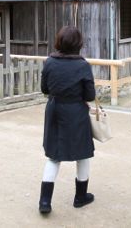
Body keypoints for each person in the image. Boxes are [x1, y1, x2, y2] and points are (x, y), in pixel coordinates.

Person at [38, 26, 96, 215]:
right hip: (76, 112)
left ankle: (45, 202)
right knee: (83, 154)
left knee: (54, 156)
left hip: (55, 110)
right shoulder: (83, 65)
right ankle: (80, 197)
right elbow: (90, 95)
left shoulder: (50, 62)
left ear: (59, 41)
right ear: (78, 44)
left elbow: (45, 89)